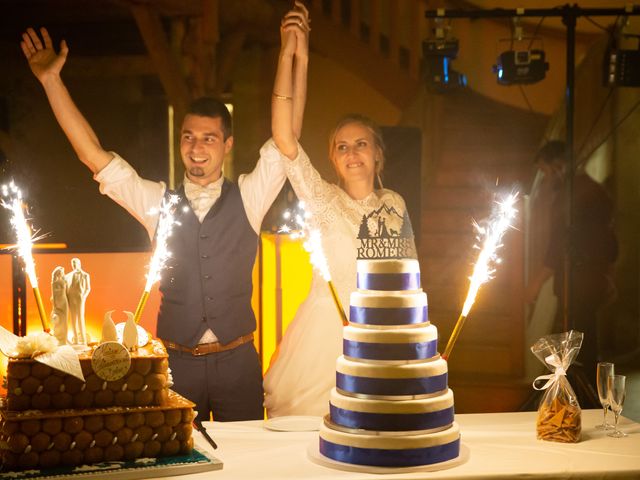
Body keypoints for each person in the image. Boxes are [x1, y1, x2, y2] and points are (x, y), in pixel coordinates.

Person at [20, 13, 302, 420]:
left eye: (208, 138)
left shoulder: (251, 195)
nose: (196, 146)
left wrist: (291, 53)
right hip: (174, 364)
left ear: (227, 144)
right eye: (188, 136)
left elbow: (286, 135)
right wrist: (51, 81)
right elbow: (92, 155)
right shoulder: (157, 202)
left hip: (237, 363)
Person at [263, 6, 410, 417]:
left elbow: (406, 277)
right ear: (332, 159)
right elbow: (284, 136)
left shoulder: (394, 203)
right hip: (325, 338)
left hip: (381, 334)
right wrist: (294, 55)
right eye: (341, 146)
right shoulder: (322, 198)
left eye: (360, 143)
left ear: (378, 153)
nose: (351, 153)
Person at [525, 140, 617, 389]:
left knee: (577, 343)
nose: (546, 179)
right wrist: (607, 275)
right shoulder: (595, 191)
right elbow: (609, 244)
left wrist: (534, 285)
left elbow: (557, 248)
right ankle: (588, 395)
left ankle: (579, 396)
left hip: (578, 284)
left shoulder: (572, 197)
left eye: (546, 172)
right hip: (589, 281)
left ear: (558, 166)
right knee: (585, 341)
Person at [65, 257, 90, 345]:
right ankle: (75, 339)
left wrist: (83, 297)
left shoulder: (85, 275)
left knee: (80, 318)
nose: (74, 266)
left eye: (75, 264)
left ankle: (83, 339)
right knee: (73, 319)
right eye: (73, 264)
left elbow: (88, 288)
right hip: (70, 298)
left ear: (79, 264)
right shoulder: (67, 276)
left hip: (80, 298)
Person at [50, 266, 68, 345]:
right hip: (57, 304)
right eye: (60, 272)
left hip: (64, 302)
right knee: (57, 322)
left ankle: (64, 339)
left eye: (61, 272)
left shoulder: (64, 281)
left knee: (64, 322)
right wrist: (55, 305)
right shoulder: (54, 283)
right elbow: (54, 294)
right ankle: (57, 338)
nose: (61, 274)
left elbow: (67, 292)